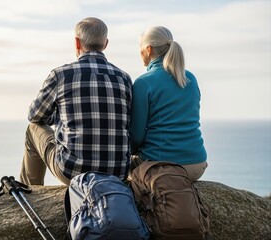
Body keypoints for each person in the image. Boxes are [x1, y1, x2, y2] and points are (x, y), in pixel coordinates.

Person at [19, 17, 132, 186]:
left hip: (73, 171)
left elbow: (34, 115)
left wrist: (59, 117)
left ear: (77, 42)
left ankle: (31, 192)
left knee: (32, 129)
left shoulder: (61, 75)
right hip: (116, 173)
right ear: (106, 43)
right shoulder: (124, 78)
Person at [130, 26, 207, 181]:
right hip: (197, 165)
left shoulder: (144, 82)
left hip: (162, 167)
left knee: (120, 171)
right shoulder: (190, 78)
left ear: (148, 49)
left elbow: (136, 137)